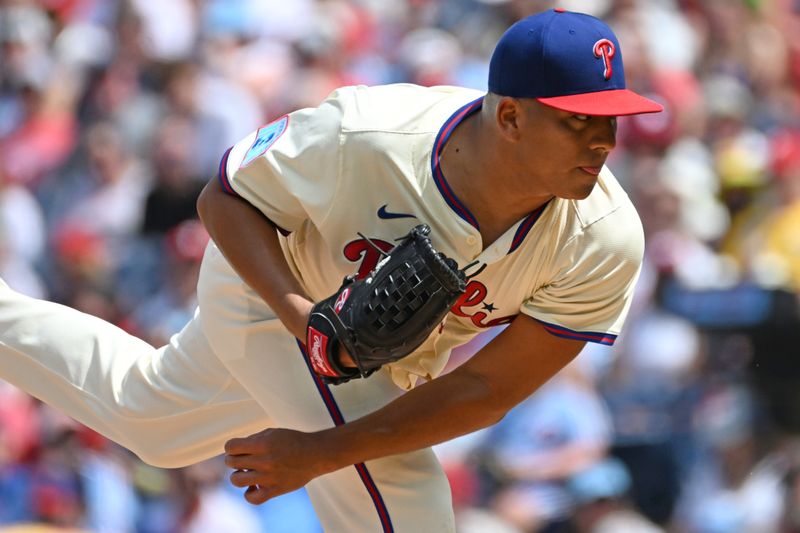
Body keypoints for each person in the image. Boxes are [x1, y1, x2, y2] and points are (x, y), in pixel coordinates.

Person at [0, 9, 662, 532]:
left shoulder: (602, 237)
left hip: (376, 364)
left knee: (153, 421)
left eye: (612, 120)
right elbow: (223, 198)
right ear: (511, 116)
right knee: (403, 491)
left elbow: (486, 391)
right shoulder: (369, 134)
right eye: (579, 122)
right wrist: (306, 320)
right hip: (268, 292)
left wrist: (320, 452)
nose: (603, 141)